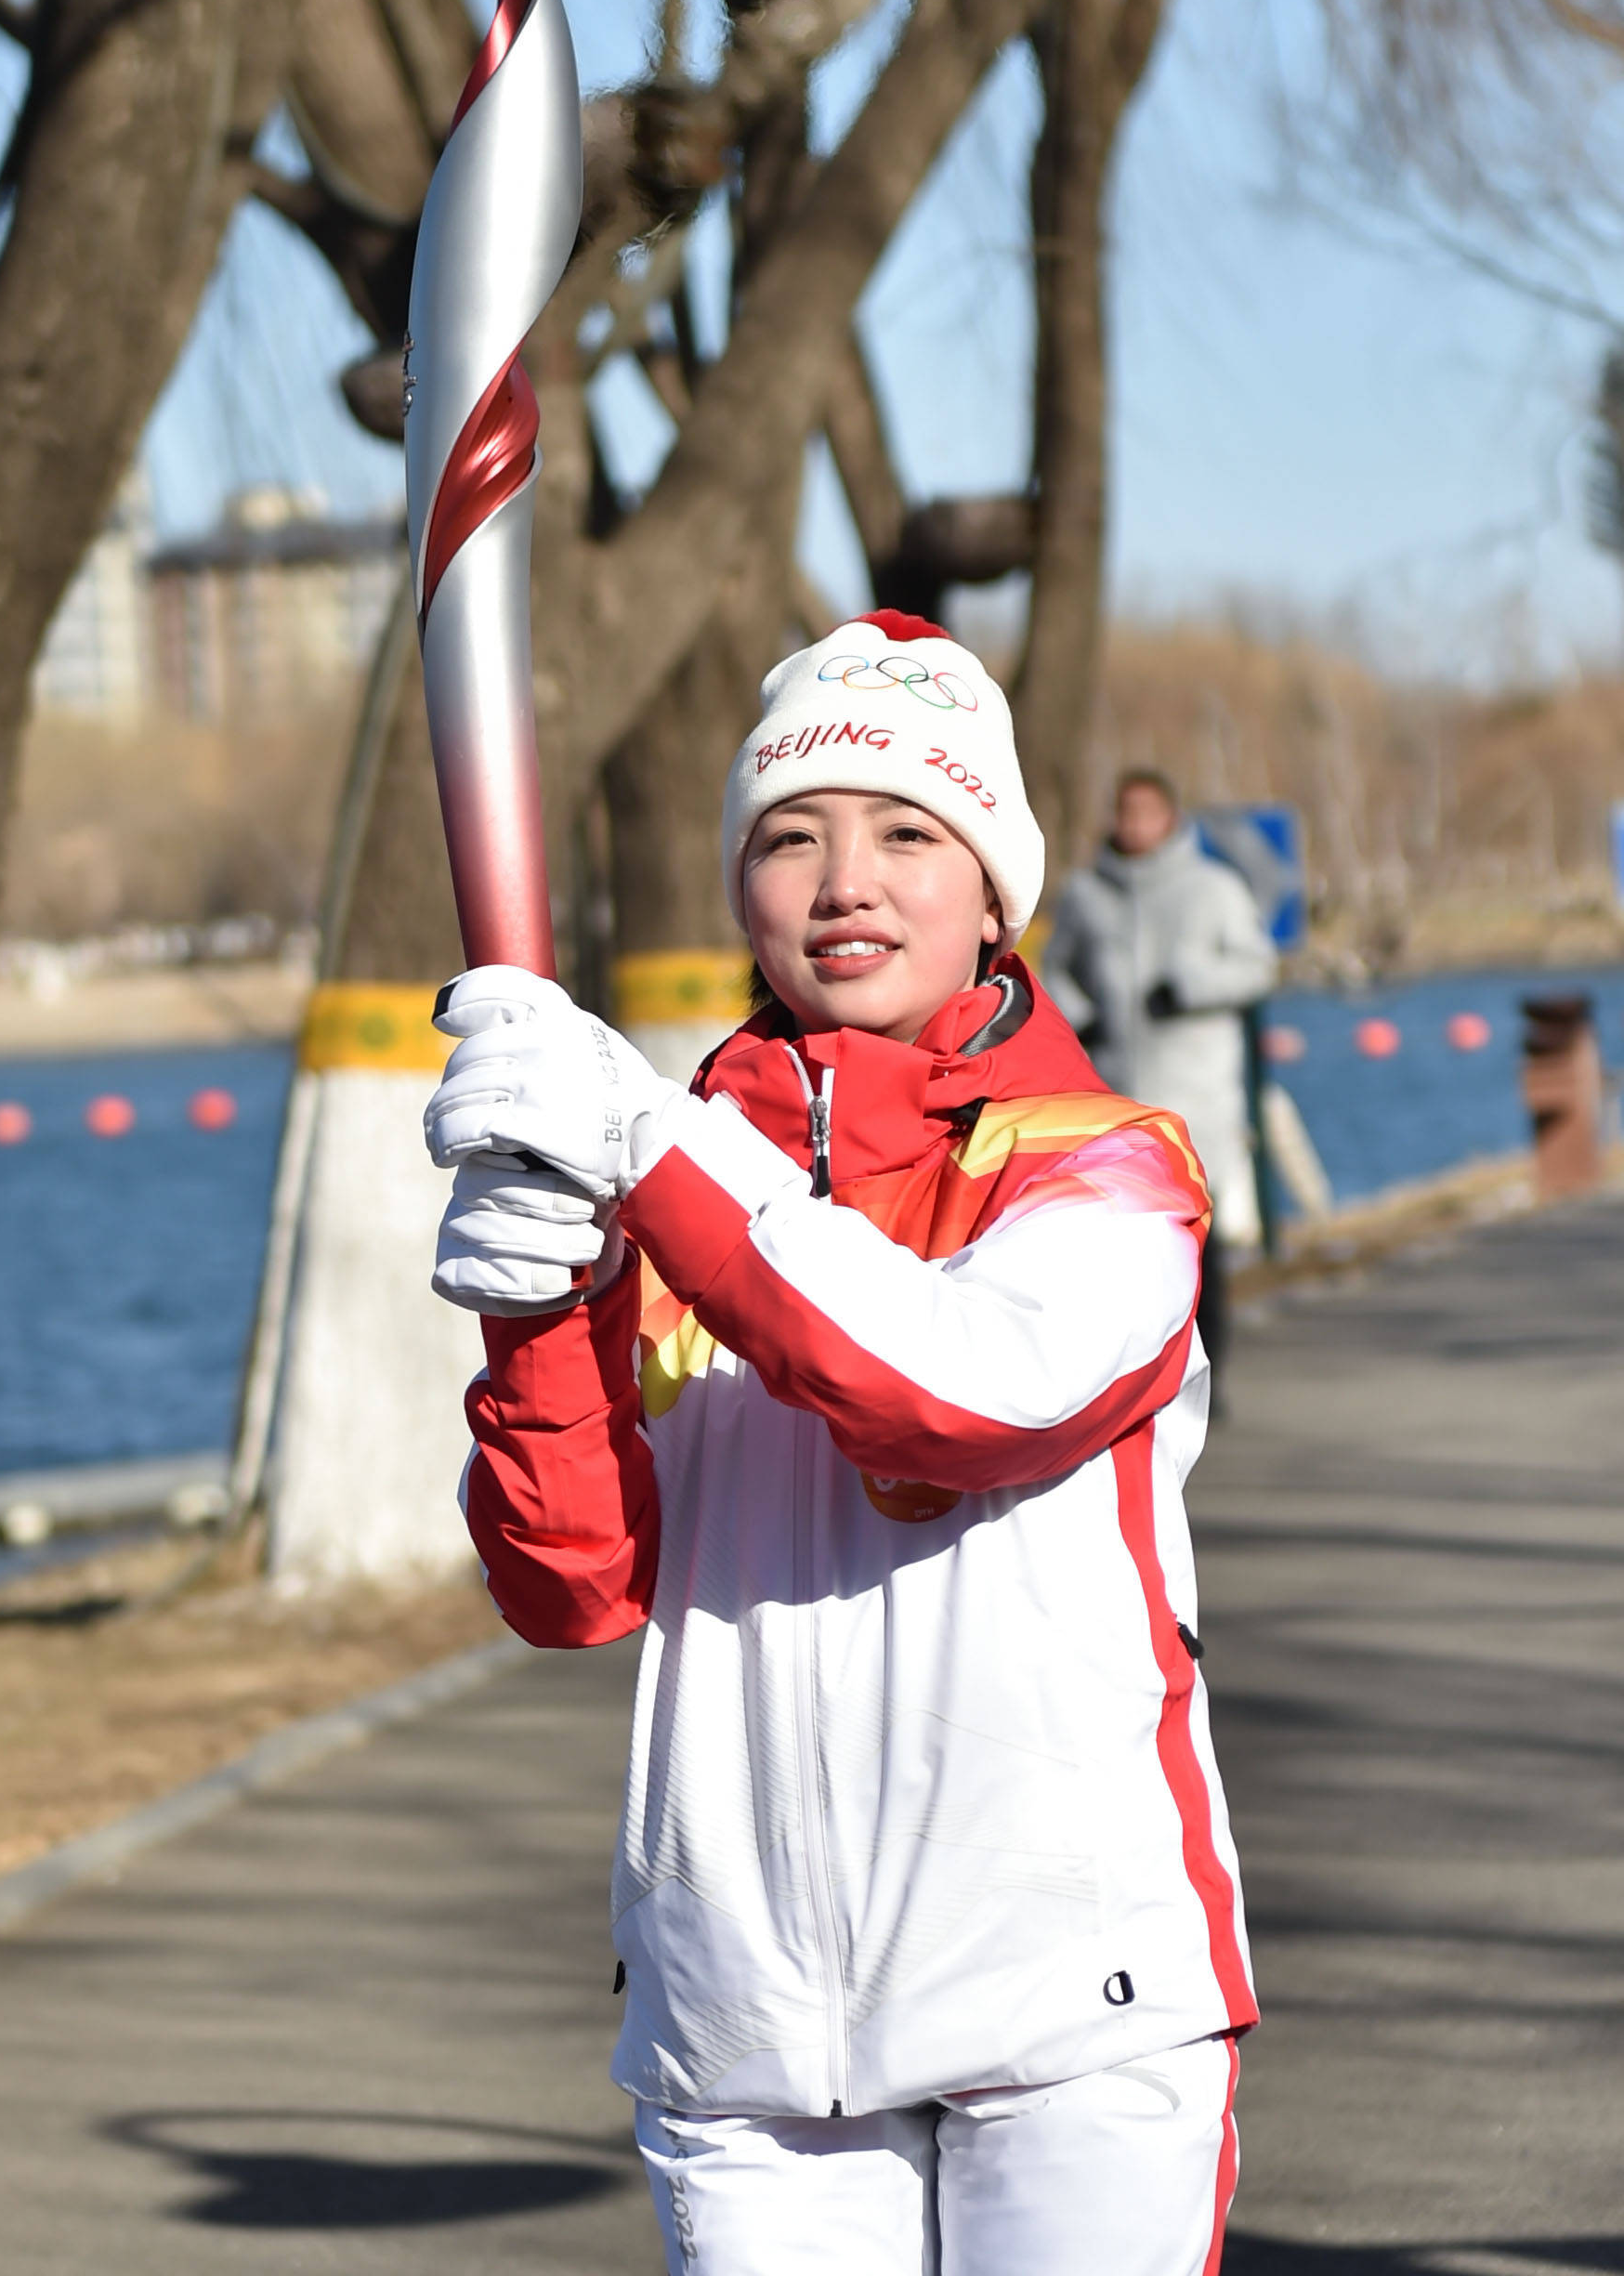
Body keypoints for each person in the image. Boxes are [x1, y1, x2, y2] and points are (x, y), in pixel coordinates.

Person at [423, 613, 1255, 2276]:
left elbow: (957, 1396)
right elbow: (572, 1581)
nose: (844, 879)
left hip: (1064, 1992)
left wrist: (651, 1152)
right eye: (790, 835)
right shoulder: (660, 1190)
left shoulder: (1103, 1168)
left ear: (993, 887)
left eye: (905, 832)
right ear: (743, 884)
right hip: (744, 2008)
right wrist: (543, 1306)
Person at [1042, 771, 1277, 1399]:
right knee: (1116, 1249)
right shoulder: (1086, 894)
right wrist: (1081, 1014)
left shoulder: (1213, 888)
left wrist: (1191, 987)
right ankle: (1129, 1385)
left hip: (1195, 1098)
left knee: (1198, 1246)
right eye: (1126, 811)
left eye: (1148, 812)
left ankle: (1209, 1378)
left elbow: (1257, 966)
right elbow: (1054, 969)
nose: (1136, 824)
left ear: (1171, 818)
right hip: (1113, 1099)